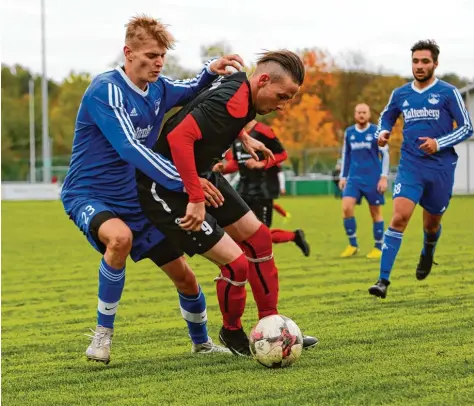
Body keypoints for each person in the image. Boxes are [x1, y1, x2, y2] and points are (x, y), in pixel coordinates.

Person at [61, 14, 245, 363]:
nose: (157, 62)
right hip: (88, 194)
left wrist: (211, 69)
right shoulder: (106, 90)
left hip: (134, 199)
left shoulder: (158, 88)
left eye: (161, 55)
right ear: (128, 53)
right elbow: (129, 147)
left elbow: (191, 88)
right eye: (149, 56)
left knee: (186, 278)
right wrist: (187, 182)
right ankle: (102, 336)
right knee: (119, 239)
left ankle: (201, 343)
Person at [137, 50, 319, 355]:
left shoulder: (243, 88)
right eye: (283, 96)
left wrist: (245, 138)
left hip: (200, 175)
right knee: (236, 263)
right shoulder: (233, 102)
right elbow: (179, 136)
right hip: (166, 185)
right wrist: (195, 196)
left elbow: (212, 110)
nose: (283, 106)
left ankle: (271, 328)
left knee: (260, 238)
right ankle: (231, 332)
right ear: (263, 80)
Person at [368, 40, 473, 298]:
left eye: (425, 61)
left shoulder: (449, 93)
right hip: (411, 166)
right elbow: (387, 115)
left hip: (441, 169)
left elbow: (467, 127)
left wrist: (439, 142)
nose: (419, 66)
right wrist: (383, 131)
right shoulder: (401, 94)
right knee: (399, 217)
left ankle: (428, 252)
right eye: (415, 61)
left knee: (431, 225)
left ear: (435, 63)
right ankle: (382, 281)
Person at [213, 120, 310, 256]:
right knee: (239, 229)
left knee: (261, 234)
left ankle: (293, 237)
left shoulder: (264, 131)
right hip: (243, 188)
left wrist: (262, 163)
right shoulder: (236, 132)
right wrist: (223, 169)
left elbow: (282, 154)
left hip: (263, 188)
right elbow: (236, 162)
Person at [338, 103, 389, 259]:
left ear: (368, 115)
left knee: (375, 212)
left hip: (373, 179)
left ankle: (378, 247)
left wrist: (383, 177)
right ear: (355, 115)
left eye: (364, 112)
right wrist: (343, 176)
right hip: (354, 178)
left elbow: (385, 155)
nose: (361, 115)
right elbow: (346, 154)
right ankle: (353, 245)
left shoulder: (376, 131)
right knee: (346, 207)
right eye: (358, 112)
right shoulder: (349, 132)